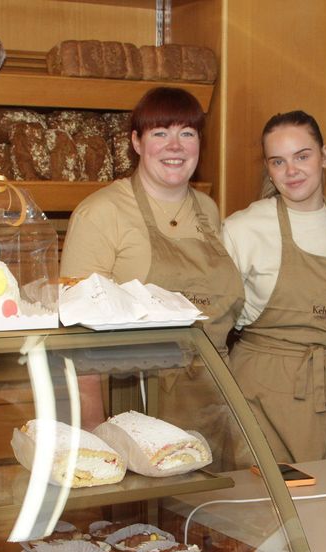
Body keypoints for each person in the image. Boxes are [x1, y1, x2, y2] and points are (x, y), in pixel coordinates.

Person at [60, 86, 246, 467]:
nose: (174, 146)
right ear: (137, 142)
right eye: (160, 133)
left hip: (213, 394)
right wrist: (98, 443)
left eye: (187, 133)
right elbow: (74, 342)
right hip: (140, 405)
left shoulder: (208, 210)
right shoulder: (101, 213)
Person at [222, 110, 326, 463]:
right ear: (269, 169)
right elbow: (217, 325)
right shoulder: (243, 228)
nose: (292, 171)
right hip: (263, 388)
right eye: (278, 161)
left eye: (303, 156)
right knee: (266, 508)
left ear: (324, 156)